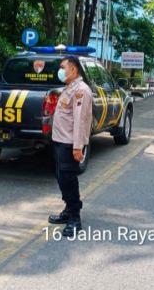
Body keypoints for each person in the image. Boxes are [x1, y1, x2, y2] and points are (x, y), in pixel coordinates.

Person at [48, 56, 93, 237]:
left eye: (63, 67)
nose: (60, 71)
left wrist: (78, 147)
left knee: (68, 179)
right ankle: (68, 210)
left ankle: (75, 218)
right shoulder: (70, 88)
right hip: (60, 141)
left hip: (69, 144)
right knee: (61, 178)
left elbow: (80, 121)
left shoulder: (81, 90)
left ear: (73, 69)